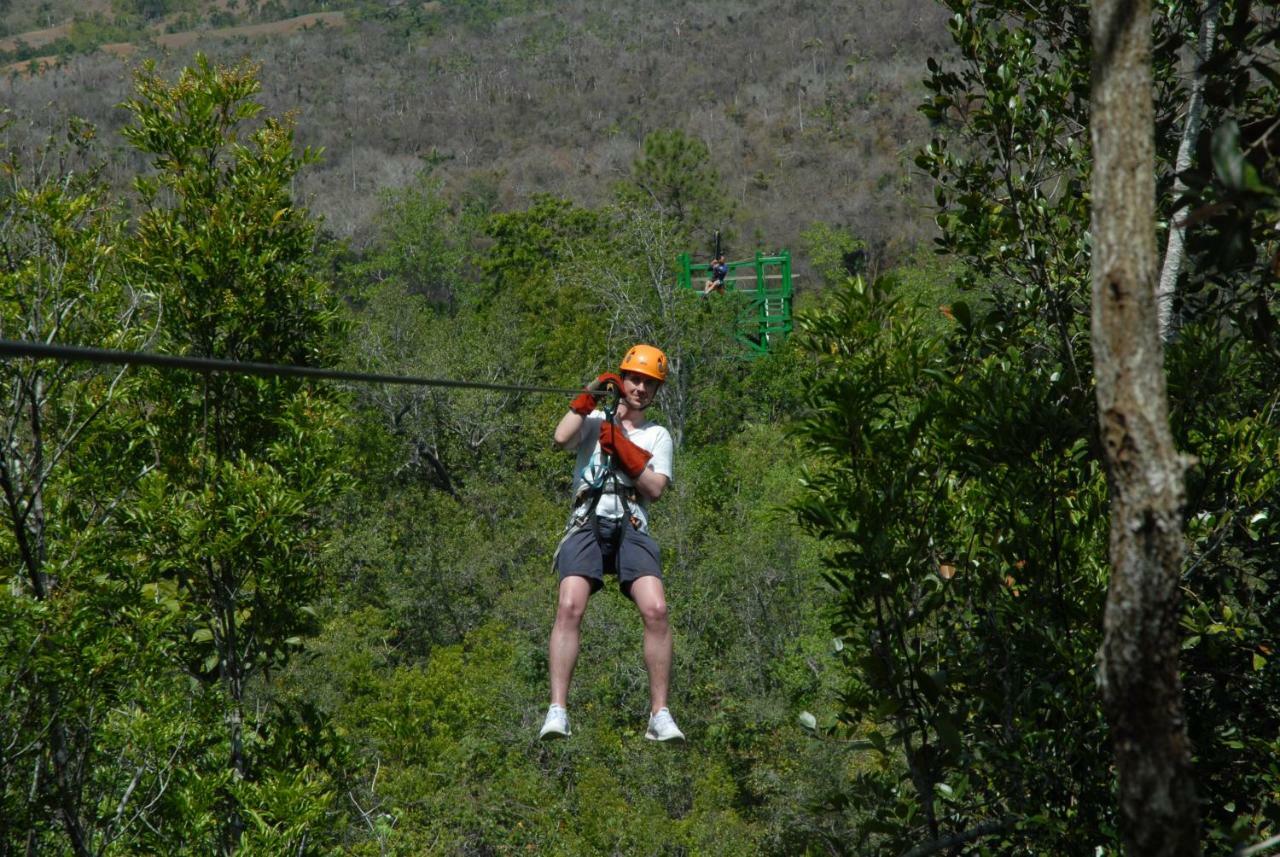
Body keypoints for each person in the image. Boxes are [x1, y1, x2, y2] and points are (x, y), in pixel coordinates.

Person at [539, 344, 685, 742]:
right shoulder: (592, 421)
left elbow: (654, 487)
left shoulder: (657, 435)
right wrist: (588, 396)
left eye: (649, 384)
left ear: (655, 392)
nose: (640, 388)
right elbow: (560, 437)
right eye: (634, 379)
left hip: (631, 518)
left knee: (656, 609)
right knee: (570, 604)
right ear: (622, 380)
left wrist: (619, 444)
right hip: (588, 515)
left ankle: (659, 714)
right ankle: (557, 709)